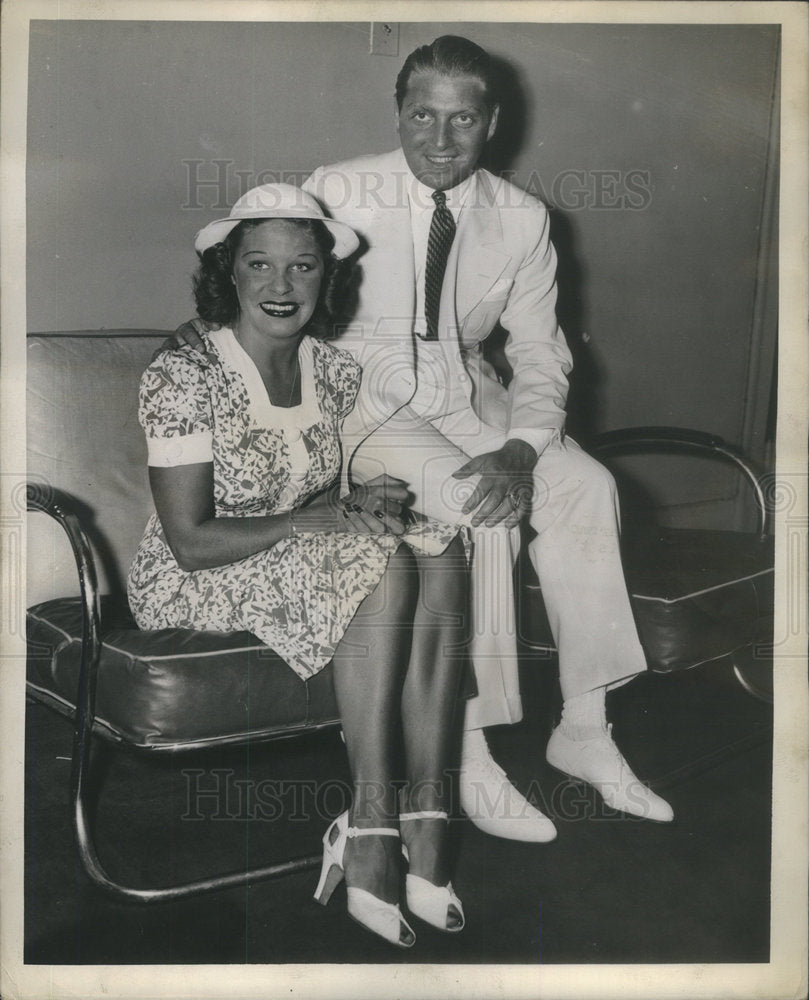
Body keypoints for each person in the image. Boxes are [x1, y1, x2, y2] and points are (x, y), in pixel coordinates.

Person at [169, 36, 673, 840]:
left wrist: (523, 444)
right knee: (482, 507)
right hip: (366, 401)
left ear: (491, 123)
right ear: (398, 113)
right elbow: (272, 288)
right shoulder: (338, 188)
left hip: (468, 390)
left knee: (586, 486)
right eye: (421, 117)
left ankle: (584, 726)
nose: (439, 141)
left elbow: (539, 350)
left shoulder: (522, 218)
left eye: (461, 119)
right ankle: (466, 744)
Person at [128, 183, 470, 948]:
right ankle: (371, 826)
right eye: (260, 263)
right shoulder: (184, 374)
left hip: (280, 555)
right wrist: (315, 520)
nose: (281, 286)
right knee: (385, 564)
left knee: (440, 544)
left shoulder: (334, 372)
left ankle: (427, 810)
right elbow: (189, 541)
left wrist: (356, 499)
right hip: (193, 576)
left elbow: (313, 496)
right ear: (229, 273)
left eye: (303, 266)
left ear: (326, 277)